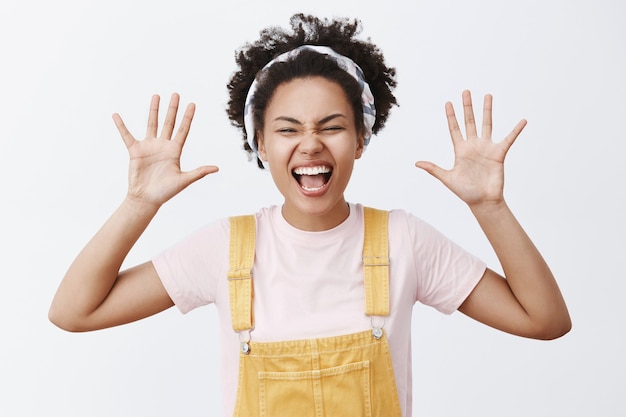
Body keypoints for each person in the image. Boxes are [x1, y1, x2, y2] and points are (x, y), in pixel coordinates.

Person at [49, 13, 571, 417]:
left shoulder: (403, 240)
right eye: (287, 128)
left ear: (362, 139)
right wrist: (139, 205)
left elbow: (545, 321)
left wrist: (490, 207)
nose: (310, 145)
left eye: (332, 126)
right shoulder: (224, 248)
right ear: (259, 143)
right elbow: (74, 312)